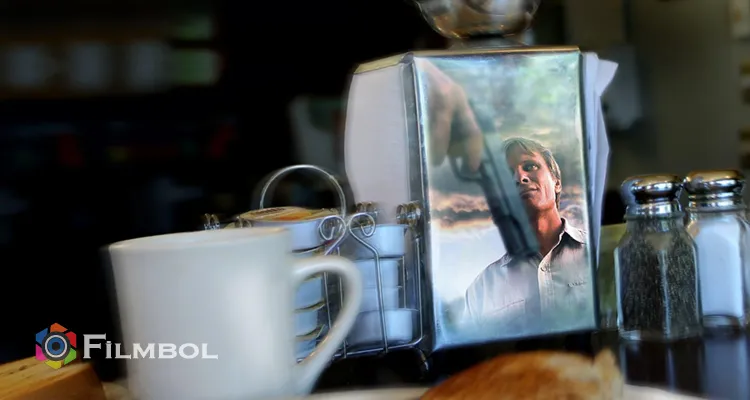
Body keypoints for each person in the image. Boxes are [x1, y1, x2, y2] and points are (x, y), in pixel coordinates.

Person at [421, 60, 591, 333]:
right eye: (507, 173)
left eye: (530, 166)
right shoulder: (482, 289)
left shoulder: (595, 255)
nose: (520, 177)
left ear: (556, 182)